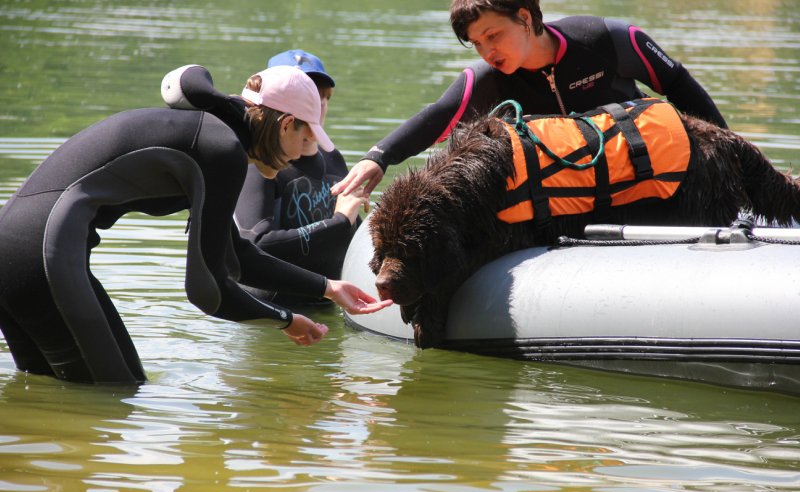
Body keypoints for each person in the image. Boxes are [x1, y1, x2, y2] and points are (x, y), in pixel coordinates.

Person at [0, 64, 391, 385]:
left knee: (43, 394)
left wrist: (328, 288)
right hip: (43, 254)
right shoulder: (222, 149)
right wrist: (283, 319)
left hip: (21, 251)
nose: (305, 154)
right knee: (113, 398)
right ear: (286, 124)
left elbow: (235, 255)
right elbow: (206, 290)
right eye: (307, 139)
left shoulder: (211, 136)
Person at [332, 0, 728, 198]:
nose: (486, 51)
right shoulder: (489, 79)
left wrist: (730, 157)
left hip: (642, 177)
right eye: (476, 43)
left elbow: (678, 83)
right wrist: (378, 157)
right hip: (567, 196)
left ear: (525, 18)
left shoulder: (608, 40)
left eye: (493, 35)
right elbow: (440, 115)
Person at [233, 50, 362, 306]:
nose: (317, 105)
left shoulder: (333, 157)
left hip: (328, 303)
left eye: (323, 96)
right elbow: (254, 243)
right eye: (308, 94)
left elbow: (347, 232)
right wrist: (338, 223)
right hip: (269, 313)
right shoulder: (260, 162)